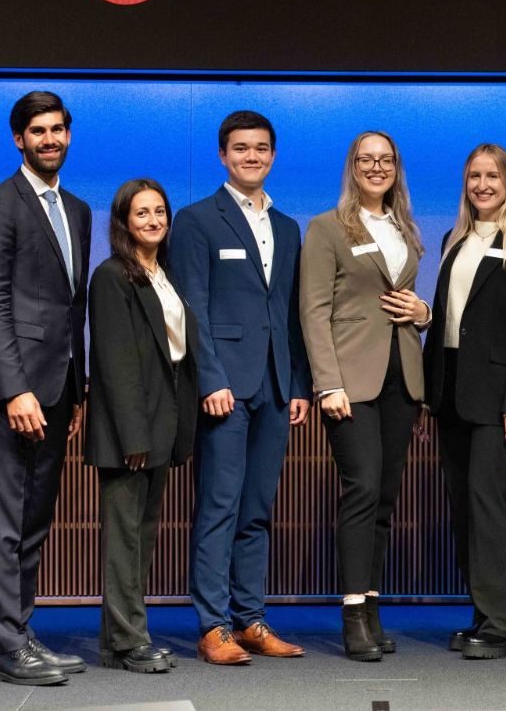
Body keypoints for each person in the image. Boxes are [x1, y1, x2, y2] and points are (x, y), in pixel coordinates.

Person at [170, 111, 310, 665]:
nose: (252, 156)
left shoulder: (288, 228)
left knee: (256, 510)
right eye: (241, 148)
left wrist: (298, 383)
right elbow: (191, 308)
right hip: (224, 388)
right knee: (219, 508)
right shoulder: (196, 220)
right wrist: (210, 379)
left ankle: (250, 619)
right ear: (223, 155)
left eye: (261, 148)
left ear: (273, 155)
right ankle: (213, 626)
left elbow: (292, 314)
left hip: (275, 386)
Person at [0, 91, 92, 686]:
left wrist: (78, 389)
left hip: (60, 386)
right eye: (38, 131)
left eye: (58, 129)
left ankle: (20, 632)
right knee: (5, 520)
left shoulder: (78, 209)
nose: (50, 139)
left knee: (35, 517)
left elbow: (72, 308)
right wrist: (15, 388)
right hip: (13, 389)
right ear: (19, 139)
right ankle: (5, 647)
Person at [300, 131, 431, 662]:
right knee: (361, 490)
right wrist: (327, 383)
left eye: (386, 160)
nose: (377, 167)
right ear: (352, 167)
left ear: (396, 167)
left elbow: (407, 304)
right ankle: (353, 612)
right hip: (349, 382)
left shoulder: (405, 228)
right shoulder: (327, 227)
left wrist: (423, 313)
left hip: (403, 379)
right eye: (366, 159)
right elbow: (313, 311)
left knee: (384, 497)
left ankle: (372, 608)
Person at [423, 144, 506, 660]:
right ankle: (482, 613)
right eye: (474, 176)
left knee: (488, 506)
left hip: (496, 398)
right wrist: (427, 392)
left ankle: (503, 626)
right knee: (464, 509)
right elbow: (450, 320)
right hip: (450, 390)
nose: (482, 185)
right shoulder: (454, 239)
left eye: (492, 176)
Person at [85, 179, 200, 674]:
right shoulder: (112, 277)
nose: (153, 220)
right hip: (130, 430)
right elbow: (116, 363)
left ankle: (123, 639)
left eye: (159, 211)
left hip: (163, 419)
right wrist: (134, 436)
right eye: (142, 213)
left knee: (142, 535)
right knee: (124, 539)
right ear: (123, 222)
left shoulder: (165, 274)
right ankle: (128, 640)